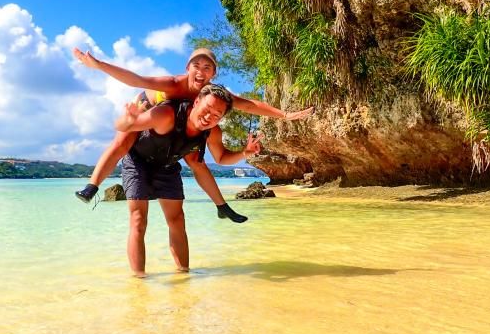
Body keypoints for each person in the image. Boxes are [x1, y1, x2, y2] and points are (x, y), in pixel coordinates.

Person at [72, 47, 312, 222]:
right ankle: (92, 186)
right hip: (149, 109)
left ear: (213, 74)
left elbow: (249, 105)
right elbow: (137, 80)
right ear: (188, 68)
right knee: (122, 141)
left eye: (207, 67)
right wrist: (99, 66)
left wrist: (284, 115)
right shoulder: (175, 84)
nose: (201, 70)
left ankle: (222, 206)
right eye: (196, 65)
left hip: (183, 126)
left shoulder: (213, 95)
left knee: (197, 162)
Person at [115, 83, 261, 277]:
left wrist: (244, 153)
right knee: (138, 220)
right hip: (138, 161)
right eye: (207, 109)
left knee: (177, 220)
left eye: (217, 114)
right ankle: (139, 281)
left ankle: (184, 275)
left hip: (167, 166)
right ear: (197, 101)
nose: (209, 116)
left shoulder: (212, 131)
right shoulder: (169, 112)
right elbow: (127, 127)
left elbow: (220, 159)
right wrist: (128, 118)